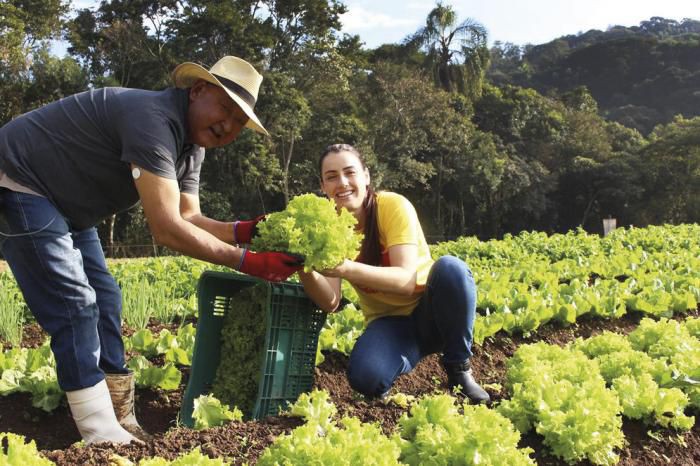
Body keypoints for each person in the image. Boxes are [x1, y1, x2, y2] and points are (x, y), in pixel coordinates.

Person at [0, 56, 301, 445]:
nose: (228, 125)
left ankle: (120, 414)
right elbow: (166, 229)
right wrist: (249, 262)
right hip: (22, 180)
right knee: (73, 304)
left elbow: (187, 216)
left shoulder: (191, 148)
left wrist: (244, 231)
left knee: (105, 298)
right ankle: (99, 433)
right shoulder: (152, 118)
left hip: (72, 208)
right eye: (225, 108)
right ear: (197, 91)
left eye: (239, 122)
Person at [298, 144, 490, 404]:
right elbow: (330, 301)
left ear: (366, 176)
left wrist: (346, 267)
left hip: (431, 309)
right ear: (323, 186)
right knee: (366, 378)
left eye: (349, 172)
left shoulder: (391, 206)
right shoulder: (328, 228)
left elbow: (406, 281)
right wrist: (304, 266)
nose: (342, 183)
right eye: (331, 177)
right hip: (392, 324)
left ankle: (459, 369)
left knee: (451, 269)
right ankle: (403, 355)